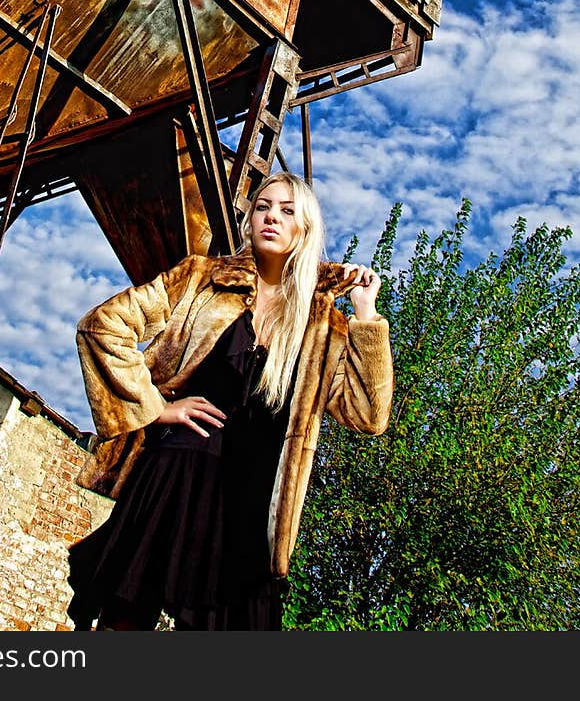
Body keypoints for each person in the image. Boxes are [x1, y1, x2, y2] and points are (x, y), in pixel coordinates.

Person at [66, 171, 393, 631]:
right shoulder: (201, 278)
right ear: (249, 220)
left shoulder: (323, 325)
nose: (271, 217)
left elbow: (368, 414)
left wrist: (365, 313)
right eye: (263, 207)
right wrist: (156, 407)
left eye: (286, 210)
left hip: (251, 498)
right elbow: (102, 326)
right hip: (176, 471)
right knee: (125, 618)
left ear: (306, 228)